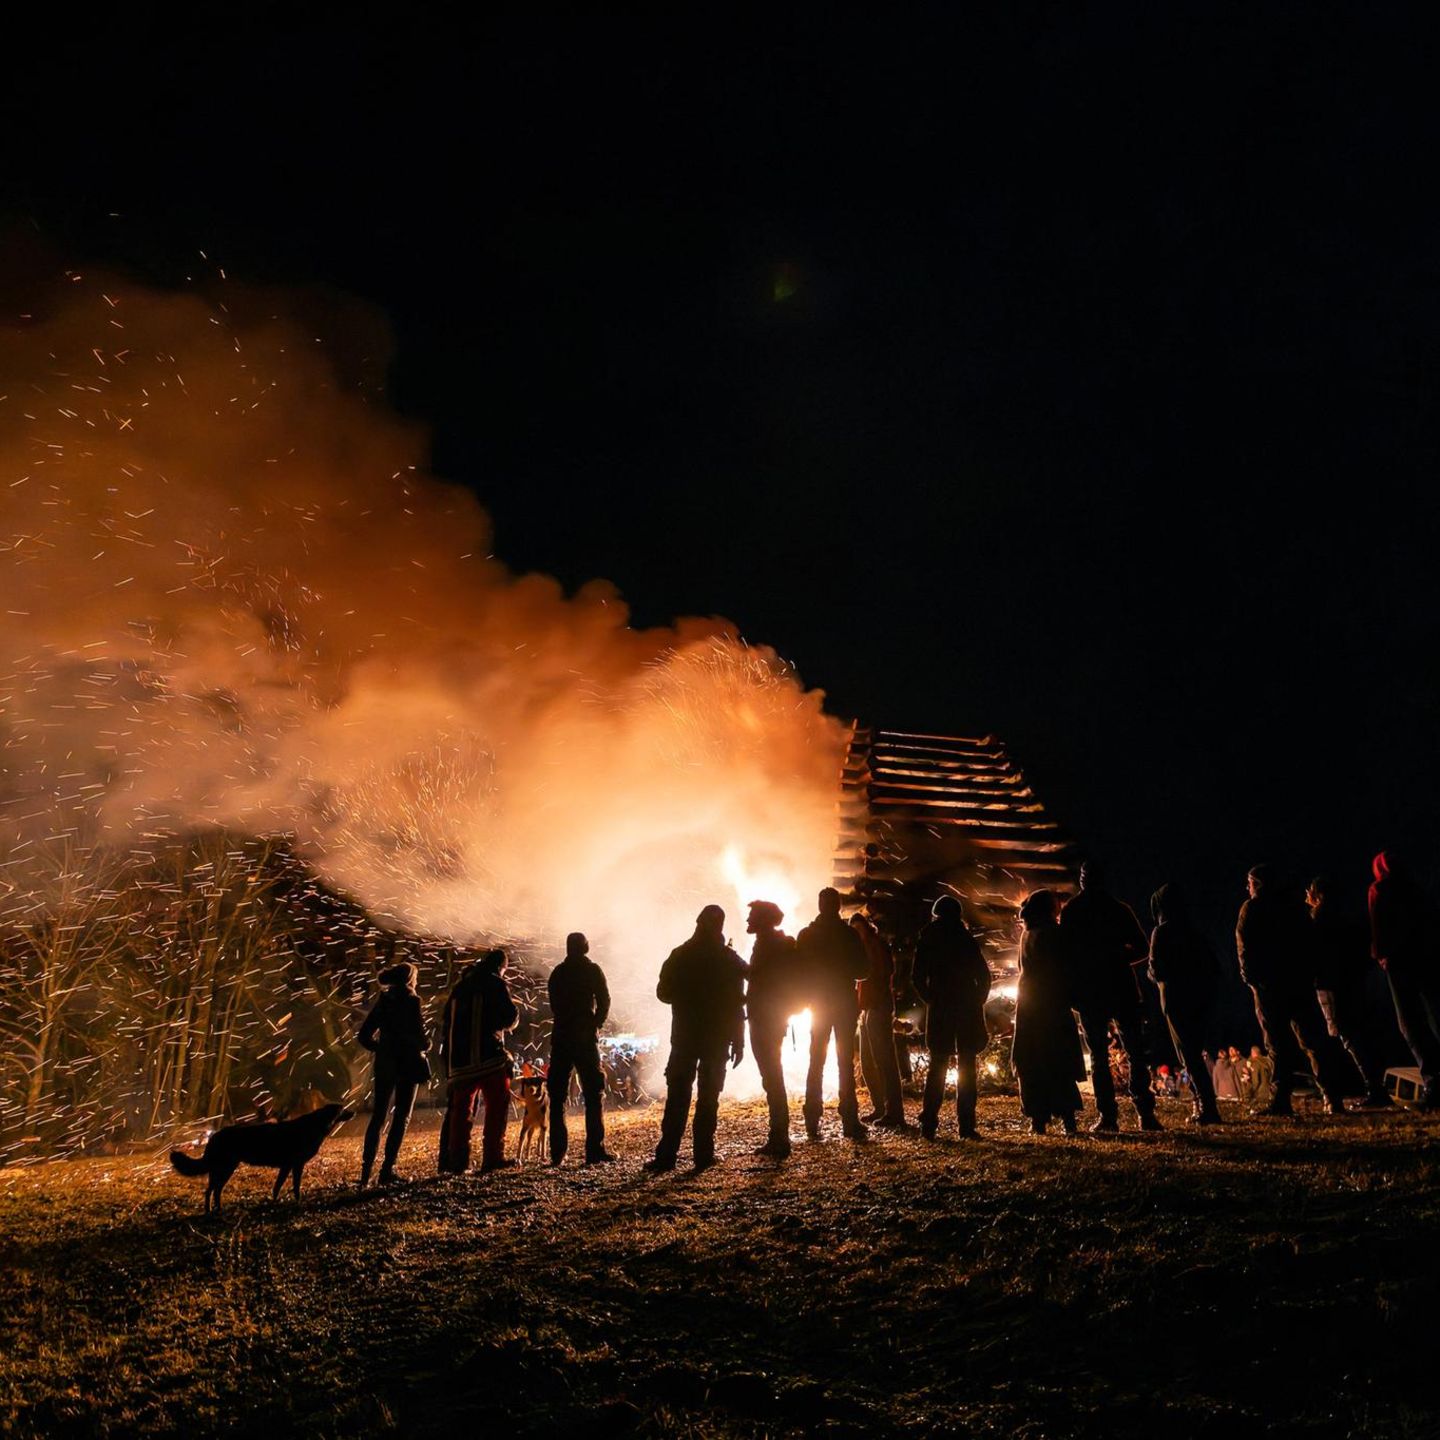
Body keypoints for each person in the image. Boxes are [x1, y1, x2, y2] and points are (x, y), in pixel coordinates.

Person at [1236, 865, 1347, 1116]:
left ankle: (1281, 1099)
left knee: (1277, 1043)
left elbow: (1245, 947)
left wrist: (1252, 980)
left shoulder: (1253, 908)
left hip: (1271, 986)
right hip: (1298, 983)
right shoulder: (1294, 908)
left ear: (1259, 884)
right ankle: (1332, 1096)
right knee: (1313, 1040)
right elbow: (1311, 943)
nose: (1247, 887)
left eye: (1250, 883)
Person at [645, 905, 746, 1172]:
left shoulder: (680, 955)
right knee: (708, 1098)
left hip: (685, 1038)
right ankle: (703, 1155)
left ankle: (667, 1156)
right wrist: (739, 1040)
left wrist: (686, 994)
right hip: (716, 1039)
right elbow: (738, 1003)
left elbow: (663, 993)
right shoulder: (729, 959)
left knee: (678, 1098)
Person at [1062, 863, 1161, 1132]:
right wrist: (1117, 958)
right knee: (1135, 1052)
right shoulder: (1119, 909)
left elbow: (1065, 956)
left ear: (1083, 881)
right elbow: (1142, 947)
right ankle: (1145, 1113)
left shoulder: (1072, 911)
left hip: (1090, 991)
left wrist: (1076, 983)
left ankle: (1108, 1117)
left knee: (1098, 1056)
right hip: (1121, 987)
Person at [1307, 876, 1391, 1109]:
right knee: (1355, 1034)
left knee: (1345, 1036)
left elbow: (1313, 952)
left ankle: (1372, 1088)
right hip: (1351, 982)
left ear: (1317, 894)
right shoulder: (1346, 916)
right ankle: (1374, 1086)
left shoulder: (1319, 917)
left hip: (1330, 984)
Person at [912, 895, 991, 1139]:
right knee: (967, 1066)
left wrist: (931, 999)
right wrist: (978, 999)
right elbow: (983, 975)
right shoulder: (965, 938)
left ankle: (929, 1123)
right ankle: (966, 1126)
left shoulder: (928, 938)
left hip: (942, 1009)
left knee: (938, 1065)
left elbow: (917, 976)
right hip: (966, 1008)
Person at [795, 888, 869, 1141]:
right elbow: (863, 971)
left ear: (820, 906)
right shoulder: (848, 935)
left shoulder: (807, 935)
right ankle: (850, 1119)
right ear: (838, 906)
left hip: (818, 1004)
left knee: (816, 1060)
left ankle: (812, 1119)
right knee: (844, 1062)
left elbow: (798, 972)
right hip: (844, 1003)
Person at [1369, 850, 1440, 1109]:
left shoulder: (1379, 889)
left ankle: (1433, 1083)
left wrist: (1380, 954)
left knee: (1409, 1023)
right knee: (1433, 1016)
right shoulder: (1416, 889)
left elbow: (1377, 925)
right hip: (1427, 958)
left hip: (1398, 962)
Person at [438, 948, 519, 1174]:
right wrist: (513, 1018)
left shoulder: (460, 987)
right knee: (497, 1107)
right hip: (490, 1057)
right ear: (501, 967)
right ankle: (493, 1157)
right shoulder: (496, 983)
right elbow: (509, 1017)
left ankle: (457, 1163)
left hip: (460, 1062)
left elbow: (446, 1022)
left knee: (461, 1114)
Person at [1146, 883, 1222, 1125]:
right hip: (1199, 999)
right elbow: (1213, 966)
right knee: (1194, 1052)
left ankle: (1207, 1106)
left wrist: (1152, 974)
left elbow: (1156, 970)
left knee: (1188, 1054)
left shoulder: (1162, 932)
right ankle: (1203, 1103)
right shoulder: (1193, 931)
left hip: (1177, 1001)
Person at [1011, 889, 1085, 1134]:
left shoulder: (1027, 933)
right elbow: (1066, 968)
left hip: (1028, 1005)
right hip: (1051, 1005)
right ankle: (1068, 1119)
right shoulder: (1054, 933)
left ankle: (1038, 1120)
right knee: (1058, 1059)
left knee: (1032, 1060)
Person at [357, 960, 430, 1185]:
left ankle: (365, 1173)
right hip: (407, 1064)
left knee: (378, 1116)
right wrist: (426, 1044)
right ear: (410, 979)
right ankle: (387, 1170)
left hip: (385, 1065)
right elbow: (420, 1038)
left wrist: (381, 1049)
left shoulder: (384, 1001)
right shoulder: (412, 1000)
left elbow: (364, 1036)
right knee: (401, 1117)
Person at [547, 932, 615, 1165]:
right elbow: (605, 1000)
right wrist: (595, 1024)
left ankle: (557, 1153)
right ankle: (595, 1150)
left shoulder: (558, 973)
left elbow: (554, 1006)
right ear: (585, 947)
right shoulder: (592, 970)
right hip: (585, 1039)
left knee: (557, 1095)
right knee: (594, 1093)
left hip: (561, 1038)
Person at [745, 899, 800, 1157]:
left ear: (764, 920)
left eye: (753, 916)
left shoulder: (769, 946)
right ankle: (778, 1135)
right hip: (771, 1018)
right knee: (772, 1077)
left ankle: (779, 1137)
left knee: (772, 1078)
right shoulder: (775, 944)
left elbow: (759, 978)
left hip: (766, 1019)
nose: (748, 920)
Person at [851, 912, 906, 1129]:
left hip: (878, 1007)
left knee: (885, 1061)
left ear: (867, 928)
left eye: (859, 928)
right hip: (867, 1009)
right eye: (854, 930)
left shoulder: (875, 946)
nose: (857, 933)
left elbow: (881, 973)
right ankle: (881, 1108)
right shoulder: (862, 948)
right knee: (867, 1063)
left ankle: (894, 1112)